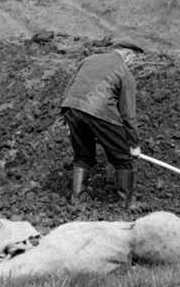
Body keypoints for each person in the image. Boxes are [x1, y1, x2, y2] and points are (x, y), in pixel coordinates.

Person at [60, 44, 142, 210]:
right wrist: (134, 145)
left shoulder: (88, 60)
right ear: (127, 54)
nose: (133, 63)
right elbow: (128, 115)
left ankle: (77, 200)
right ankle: (125, 203)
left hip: (72, 108)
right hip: (100, 113)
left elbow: (70, 88)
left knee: (83, 156)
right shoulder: (125, 73)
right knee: (123, 159)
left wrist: (65, 117)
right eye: (134, 58)